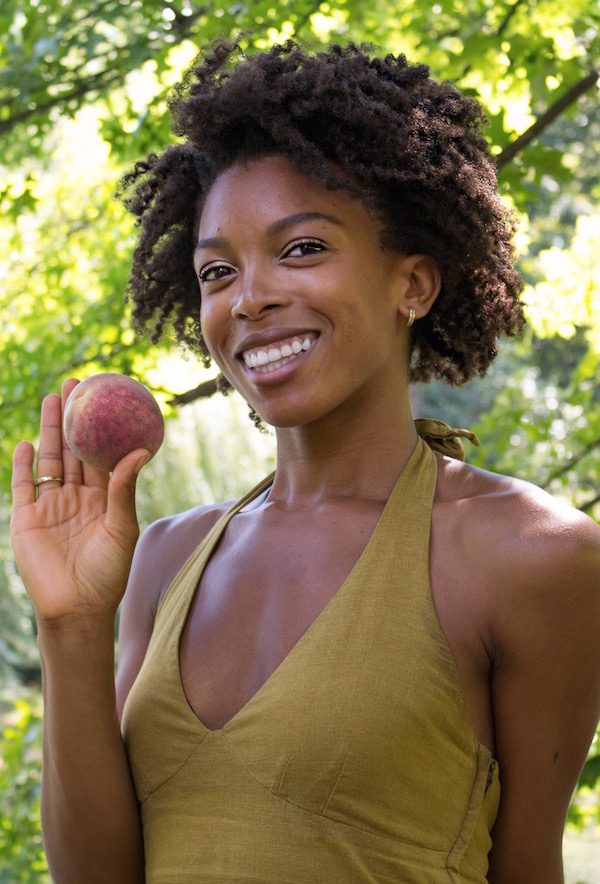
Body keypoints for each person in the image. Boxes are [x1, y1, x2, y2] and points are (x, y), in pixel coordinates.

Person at [10, 39, 600, 884]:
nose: (249, 298)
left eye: (302, 250)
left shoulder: (531, 556)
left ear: (415, 284)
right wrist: (70, 624)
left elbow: (528, 868)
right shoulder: (163, 557)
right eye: (218, 270)